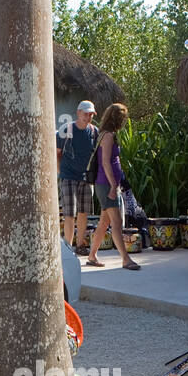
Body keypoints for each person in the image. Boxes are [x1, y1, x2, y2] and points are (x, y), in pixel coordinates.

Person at [87, 103, 140, 270]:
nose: (123, 122)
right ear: (117, 119)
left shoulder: (105, 134)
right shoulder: (108, 136)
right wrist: (112, 186)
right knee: (116, 223)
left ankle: (92, 255)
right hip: (106, 185)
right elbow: (105, 163)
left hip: (106, 184)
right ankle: (125, 259)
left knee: (104, 222)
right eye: (122, 118)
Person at [56, 100, 98, 256]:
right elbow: (57, 152)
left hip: (86, 177)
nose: (88, 117)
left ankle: (80, 245)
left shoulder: (94, 131)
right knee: (69, 213)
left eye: (91, 114)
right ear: (78, 112)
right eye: (86, 114)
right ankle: (68, 247)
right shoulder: (66, 129)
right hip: (68, 176)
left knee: (84, 212)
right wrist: (60, 170)